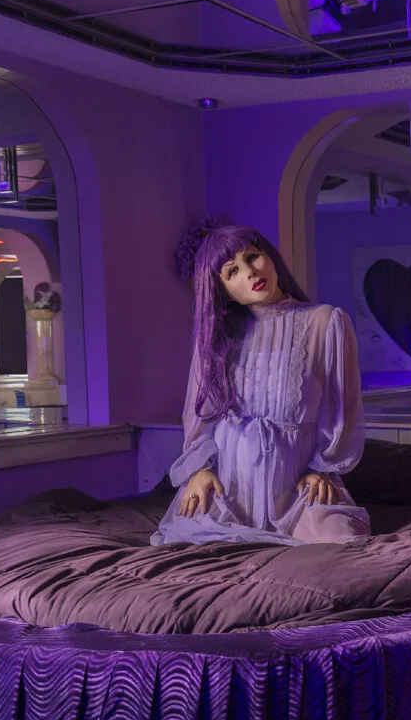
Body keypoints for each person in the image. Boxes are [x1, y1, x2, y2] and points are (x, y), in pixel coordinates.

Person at [153, 223, 371, 546]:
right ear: (221, 288)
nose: (251, 272)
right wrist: (199, 469)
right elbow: (201, 418)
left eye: (252, 256)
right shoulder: (216, 338)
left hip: (298, 489)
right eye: (232, 271)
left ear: (269, 256)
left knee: (340, 538)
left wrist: (322, 468)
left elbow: (342, 409)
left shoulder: (326, 321)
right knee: (191, 540)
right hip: (227, 489)